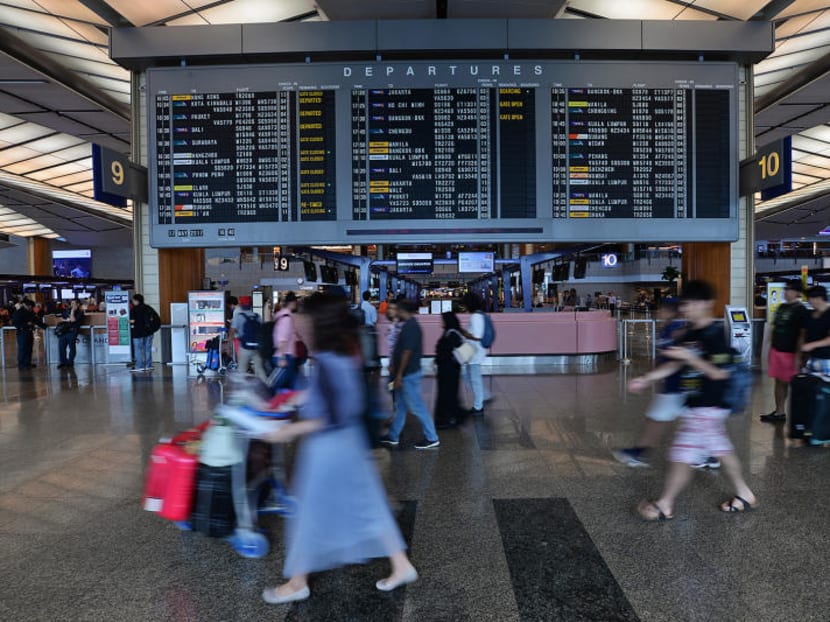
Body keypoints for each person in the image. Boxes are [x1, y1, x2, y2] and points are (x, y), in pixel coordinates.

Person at [261, 292, 417, 604]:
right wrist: (301, 399)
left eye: (306, 316)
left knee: (308, 513)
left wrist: (289, 429)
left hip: (328, 449)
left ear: (321, 322)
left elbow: (331, 415)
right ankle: (401, 565)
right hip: (347, 443)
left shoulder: (330, 360)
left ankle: (297, 582)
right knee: (369, 505)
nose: (300, 321)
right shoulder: (340, 354)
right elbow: (338, 400)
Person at [629, 281, 757, 520]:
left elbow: (719, 373)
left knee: (682, 453)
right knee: (720, 450)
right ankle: (744, 493)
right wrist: (646, 379)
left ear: (707, 304)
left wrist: (690, 357)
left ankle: (664, 504)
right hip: (696, 404)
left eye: (691, 303)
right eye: (684, 304)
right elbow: (675, 363)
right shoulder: (690, 333)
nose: (686, 309)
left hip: (709, 405)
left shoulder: (714, 335)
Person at [613, 298, 692, 468]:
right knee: (665, 419)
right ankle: (709, 455)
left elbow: (674, 362)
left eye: (662, 309)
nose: (659, 313)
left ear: (671, 312)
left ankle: (640, 453)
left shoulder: (676, 330)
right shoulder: (668, 329)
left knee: (655, 419)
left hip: (677, 386)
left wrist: (646, 379)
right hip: (674, 385)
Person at [380, 299, 440, 449]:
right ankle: (393, 436)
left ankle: (432, 438)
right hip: (405, 373)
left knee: (417, 406)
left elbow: (407, 352)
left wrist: (399, 375)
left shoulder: (411, 327)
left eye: (398, 309)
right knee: (400, 406)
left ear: (402, 311)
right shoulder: (408, 325)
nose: (396, 312)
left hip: (408, 374)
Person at [761, 280, 807, 423]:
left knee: (791, 383)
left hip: (791, 352)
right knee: (779, 382)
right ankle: (779, 411)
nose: (785, 292)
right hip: (777, 350)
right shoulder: (781, 307)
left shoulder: (800, 310)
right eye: (785, 289)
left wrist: (799, 355)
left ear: (798, 293)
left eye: (789, 289)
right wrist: (769, 349)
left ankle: (799, 417)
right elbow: (775, 329)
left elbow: (802, 334)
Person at [434, 311, 465, 429]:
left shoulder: (451, 334)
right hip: (450, 369)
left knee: (448, 393)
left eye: (442, 320)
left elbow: (448, 351)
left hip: (449, 369)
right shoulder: (451, 332)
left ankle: (449, 418)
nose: (440, 322)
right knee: (450, 393)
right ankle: (453, 416)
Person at [461, 292, 489, 416]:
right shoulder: (479, 315)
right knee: (468, 376)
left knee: (474, 378)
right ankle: (483, 397)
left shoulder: (475, 317)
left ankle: (479, 405)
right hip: (473, 351)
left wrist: (464, 333)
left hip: (474, 352)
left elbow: (477, 336)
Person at [231, 295, 267, 383]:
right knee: (259, 369)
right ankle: (267, 387)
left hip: (244, 347)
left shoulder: (238, 316)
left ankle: (241, 390)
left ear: (241, 305)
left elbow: (232, 331)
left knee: (242, 369)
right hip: (257, 347)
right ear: (251, 305)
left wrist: (229, 343)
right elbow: (262, 330)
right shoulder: (257, 316)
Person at [272, 292, 300, 389]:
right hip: (285, 356)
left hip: (287, 355)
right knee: (278, 386)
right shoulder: (286, 319)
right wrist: (282, 357)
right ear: (293, 302)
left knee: (290, 386)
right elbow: (282, 339)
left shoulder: (282, 316)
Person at [800, 285, 830, 374]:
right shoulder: (809, 314)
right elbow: (804, 334)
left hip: (826, 359)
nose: (808, 301)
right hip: (811, 358)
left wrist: (811, 345)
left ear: (819, 298)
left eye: (810, 298)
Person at [129, 294, 158, 373]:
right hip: (148, 332)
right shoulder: (148, 308)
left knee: (138, 350)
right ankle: (148, 365)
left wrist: (127, 321)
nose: (133, 302)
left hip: (137, 333)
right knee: (147, 349)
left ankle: (139, 366)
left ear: (136, 301)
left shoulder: (134, 310)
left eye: (133, 300)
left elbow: (132, 321)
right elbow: (156, 318)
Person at [56, 299, 84, 369]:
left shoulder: (80, 312)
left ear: (78, 304)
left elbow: (73, 320)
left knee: (72, 347)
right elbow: (61, 319)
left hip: (72, 331)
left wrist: (72, 312)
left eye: (74, 303)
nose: (72, 305)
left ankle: (70, 362)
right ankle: (63, 362)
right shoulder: (67, 310)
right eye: (71, 303)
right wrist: (67, 320)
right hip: (64, 331)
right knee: (61, 347)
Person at [12, 299, 38, 370]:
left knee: (29, 348)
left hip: (29, 332)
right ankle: (21, 365)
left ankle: (27, 363)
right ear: (26, 305)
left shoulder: (30, 312)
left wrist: (44, 326)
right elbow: (16, 324)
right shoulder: (18, 313)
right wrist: (26, 324)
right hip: (22, 333)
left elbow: (35, 320)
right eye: (30, 307)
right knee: (22, 349)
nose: (31, 308)